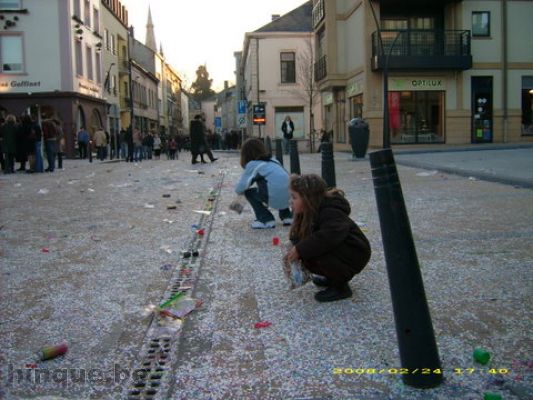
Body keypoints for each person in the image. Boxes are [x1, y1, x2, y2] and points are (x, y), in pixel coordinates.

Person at [286, 174, 371, 302]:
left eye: (294, 197)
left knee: (315, 249)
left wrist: (300, 249)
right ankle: (332, 277)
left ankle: (341, 287)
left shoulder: (330, 212)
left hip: (354, 253)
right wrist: (294, 246)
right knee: (308, 249)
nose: (291, 201)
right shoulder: (308, 212)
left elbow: (328, 236)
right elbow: (300, 234)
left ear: (308, 199)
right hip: (342, 252)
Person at [235, 138, 292, 229]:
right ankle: (287, 216)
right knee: (279, 185)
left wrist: (239, 196)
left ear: (245, 154)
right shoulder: (274, 160)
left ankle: (265, 219)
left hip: (275, 196)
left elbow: (240, 188)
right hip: (289, 197)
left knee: (249, 192)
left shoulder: (253, 164)